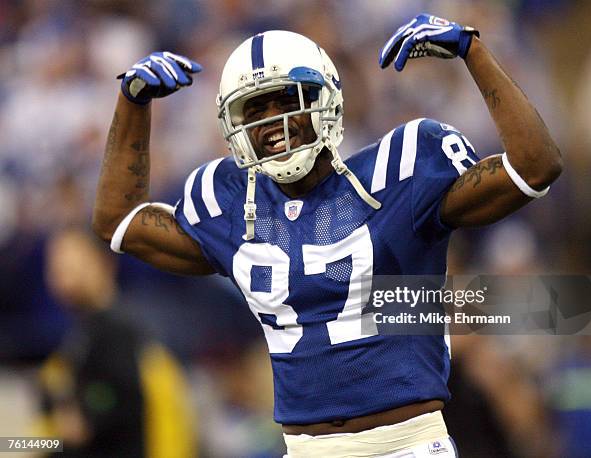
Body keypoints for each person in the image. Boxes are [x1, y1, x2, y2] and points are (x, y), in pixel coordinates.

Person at [93, 13, 562, 457]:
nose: (273, 123)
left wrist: (473, 52)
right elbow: (118, 221)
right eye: (255, 108)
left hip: (406, 443)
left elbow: (535, 167)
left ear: (325, 102)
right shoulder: (231, 204)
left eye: (287, 100)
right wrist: (133, 103)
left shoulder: (397, 170)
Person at [39, 228, 197, 458]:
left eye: (73, 264)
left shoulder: (120, 334)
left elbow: (87, 424)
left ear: (104, 264)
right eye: (56, 267)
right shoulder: (80, 336)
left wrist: (15, 444)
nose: (62, 276)